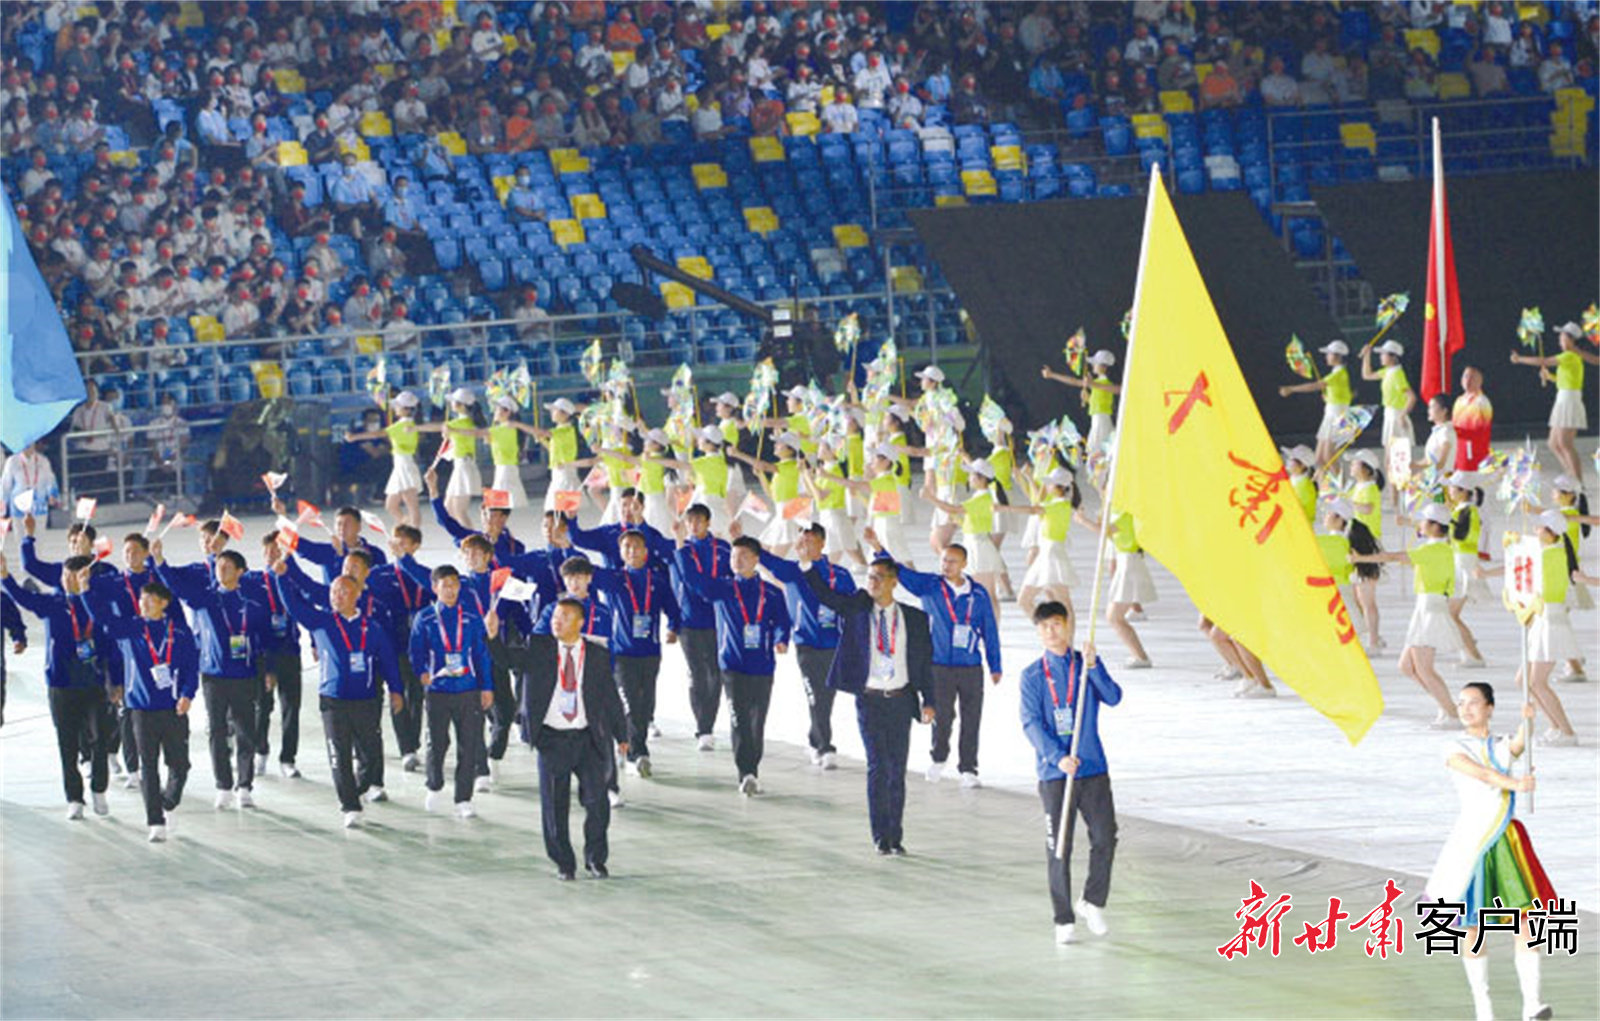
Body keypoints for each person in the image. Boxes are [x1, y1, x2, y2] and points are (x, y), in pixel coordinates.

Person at [1423, 682, 1555, 1021]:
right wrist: (1516, 784)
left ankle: (1532, 1004)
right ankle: (1484, 1010)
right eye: (1461, 703)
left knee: (1527, 920)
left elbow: (1516, 746)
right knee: (1473, 927)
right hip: (1473, 843)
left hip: (1505, 841)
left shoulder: (1497, 744)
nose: (1465, 708)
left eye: (1473, 703)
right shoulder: (1453, 746)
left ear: (1490, 708)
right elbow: (1482, 774)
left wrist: (1528, 721)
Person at [803, 553, 936, 854]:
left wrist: (929, 701)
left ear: (893, 582)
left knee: (897, 769)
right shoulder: (859, 609)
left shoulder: (914, 619)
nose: (872, 583)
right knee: (878, 765)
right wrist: (807, 566)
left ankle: (896, 836)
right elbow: (827, 595)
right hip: (870, 700)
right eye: (869, 577)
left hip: (901, 700)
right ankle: (880, 837)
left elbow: (924, 664)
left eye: (878, 577)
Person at [487, 598, 627, 880]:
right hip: (551, 739)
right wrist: (491, 636)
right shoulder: (539, 648)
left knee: (597, 802)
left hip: (588, 738)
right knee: (554, 804)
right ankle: (564, 862)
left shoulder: (597, 655)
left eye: (564, 616)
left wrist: (622, 735)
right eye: (554, 616)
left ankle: (596, 859)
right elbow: (505, 659)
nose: (556, 621)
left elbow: (610, 697)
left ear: (580, 622)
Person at [864, 530, 1002, 788]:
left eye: (951, 561)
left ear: (964, 564)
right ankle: (939, 758)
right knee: (943, 716)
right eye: (943, 560)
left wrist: (995, 664)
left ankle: (968, 767)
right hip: (938, 664)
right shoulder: (930, 585)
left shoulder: (979, 594)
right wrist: (878, 548)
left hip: (970, 666)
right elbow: (900, 573)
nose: (945, 565)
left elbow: (989, 630)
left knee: (972, 717)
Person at [1020, 602, 1123, 945]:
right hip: (1055, 774)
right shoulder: (1033, 676)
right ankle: (1063, 918)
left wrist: (1094, 668)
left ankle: (1092, 901)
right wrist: (1057, 757)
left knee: (1105, 836)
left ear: (1068, 626)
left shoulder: (1084, 664)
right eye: (1045, 626)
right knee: (1059, 846)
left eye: (1057, 624)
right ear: (1038, 631)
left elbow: (1113, 697)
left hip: (1092, 768)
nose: (1052, 631)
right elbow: (1031, 723)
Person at [273, 563, 404, 828]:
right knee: (339, 753)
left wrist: (396, 690)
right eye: (333, 592)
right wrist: (281, 578)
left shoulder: (372, 628)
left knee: (371, 755)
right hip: (332, 701)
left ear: (356, 595)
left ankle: (358, 788)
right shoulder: (321, 622)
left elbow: (388, 660)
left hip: (366, 700)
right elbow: (294, 606)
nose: (336, 597)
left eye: (343, 592)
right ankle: (350, 806)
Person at [672, 526, 792, 795]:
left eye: (744, 556)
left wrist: (781, 639)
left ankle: (753, 768)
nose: (736, 561)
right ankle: (746, 772)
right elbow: (692, 579)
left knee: (756, 722)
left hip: (762, 666)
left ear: (756, 559)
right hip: (732, 667)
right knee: (738, 719)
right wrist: (680, 544)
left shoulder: (771, 593)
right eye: (734, 556)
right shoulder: (723, 589)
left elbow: (783, 621)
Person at [153, 542, 270, 809]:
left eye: (228, 566)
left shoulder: (252, 604)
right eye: (218, 566)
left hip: (244, 675)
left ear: (240, 571)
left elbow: (264, 640)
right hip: (213, 676)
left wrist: (267, 670)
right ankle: (223, 785)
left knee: (245, 731)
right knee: (216, 730)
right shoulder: (206, 598)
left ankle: (244, 785)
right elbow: (176, 587)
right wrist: (159, 560)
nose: (222, 570)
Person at [0, 551, 112, 820]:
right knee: (67, 743)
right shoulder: (52, 604)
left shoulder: (99, 605)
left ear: (85, 576)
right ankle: (74, 797)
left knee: (100, 740)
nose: (65, 580)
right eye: (63, 575)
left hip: (94, 682)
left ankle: (98, 788)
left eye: (72, 575)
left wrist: (115, 681)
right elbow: (22, 598)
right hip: (61, 683)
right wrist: (5, 575)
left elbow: (113, 646)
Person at [1351, 503, 1462, 727]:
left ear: (1434, 526)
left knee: (1424, 667)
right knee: (1406, 666)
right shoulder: (1437, 548)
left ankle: (1452, 713)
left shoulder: (1432, 550)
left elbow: (1395, 557)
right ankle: (1445, 705)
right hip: (1425, 606)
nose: (1420, 524)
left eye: (1423, 521)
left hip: (1430, 608)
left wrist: (1360, 559)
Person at [105, 579, 198, 843]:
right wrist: (86, 590)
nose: (143, 603)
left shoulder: (179, 632)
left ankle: (169, 802)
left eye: (149, 599)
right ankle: (155, 821)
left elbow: (192, 667)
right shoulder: (132, 628)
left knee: (180, 765)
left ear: (163, 603)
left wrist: (187, 695)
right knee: (149, 765)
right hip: (141, 710)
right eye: (141, 599)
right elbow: (103, 619)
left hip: (173, 709)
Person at [759, 523, 856, 770]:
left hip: (835, 645)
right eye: (801, 541)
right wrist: (741, 538)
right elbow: (764, 558)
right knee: (816, 697)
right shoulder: (792, 571)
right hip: (807, 646)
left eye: (810, 541)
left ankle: (814, 740)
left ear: (823, 543)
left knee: (826, 697)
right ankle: (825, 747)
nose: (804, 545)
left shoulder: (841, 575)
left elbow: (852, 608)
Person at [588, 531, 681, 780]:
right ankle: (637, 753)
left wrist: (673, 628)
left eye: (637, 547)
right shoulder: (614, 578)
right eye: (626, 547)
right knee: (629, 703)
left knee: (645, 704)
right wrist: (567, 539)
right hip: (621, 654)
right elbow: (584, 571)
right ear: (620, 553)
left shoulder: (658, 581)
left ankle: (626, 744)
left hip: (650, 653)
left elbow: (673, 609)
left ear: (645, 551)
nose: (632, 551)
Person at [408, 564, 492, 817]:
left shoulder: (471, 618)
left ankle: (463, 799)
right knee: (438, 742)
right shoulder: (425, 618)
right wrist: (421, 672)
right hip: (438, 690)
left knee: (469, 743)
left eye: (455, 584)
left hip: (467, 689)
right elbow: (416, 651)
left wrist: (486, 687)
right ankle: (434, 786)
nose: (451, 590)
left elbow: (481, 655)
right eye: (445, 585)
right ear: (435, 588)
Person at [669, 504, 731, 751]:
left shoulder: (723, 549)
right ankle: (702, 727)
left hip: (717, 620)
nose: (693, 525)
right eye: (690, 521)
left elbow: (732, 578)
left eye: (698, 521)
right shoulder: (680, 550)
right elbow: (674, 587)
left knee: (715, 674)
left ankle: (709, 725)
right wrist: (673, 623)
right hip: (689, 622)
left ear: (708, 522)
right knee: (697, 673)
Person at [244, 531, 303, 778]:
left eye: (277, 550)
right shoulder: (254, 581)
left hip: (289, 651)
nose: (271, 555)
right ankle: (260, 752)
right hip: (263, 653)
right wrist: (267, 665)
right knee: (262, 706)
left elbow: (304, 611)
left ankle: (288, 759)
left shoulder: (293, 580)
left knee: (291, 707)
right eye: (268, 551)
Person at [1510, 322, 1597, 483]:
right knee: (1553, 443)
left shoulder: (1570, 356)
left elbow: (1545, 360)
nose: (1559, 340)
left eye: (1562, 337)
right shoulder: (1569, 358)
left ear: (1570, 340)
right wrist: (1550, 377)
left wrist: (1519, 359)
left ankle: (1578, 482)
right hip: (1563, 398)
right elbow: (1566, 381)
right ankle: (1571, 476)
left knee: (1565, 443)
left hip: (1569, 401)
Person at [342, 390, 424, 529]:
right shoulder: (404, 425)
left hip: (406, 465)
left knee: (412, 504)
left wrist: (354, 437)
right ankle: (404, 525)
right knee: (391, 505)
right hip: (399, 465)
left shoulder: (403, 426)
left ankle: (414, 533)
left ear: (405, 409)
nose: (395, 408)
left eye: (397, 406)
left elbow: (377, 434)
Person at [1278, 339, 1353, 467]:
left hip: (1337, 416)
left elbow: (1315, 386)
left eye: (1329, 354)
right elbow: (1343, 395)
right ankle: (1324, 486)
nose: (1326, 356)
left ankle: (1341, 486)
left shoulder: (1339, 373)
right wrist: (1328, 398)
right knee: (1319, 459)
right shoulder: (1337, 373)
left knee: (1328, 456)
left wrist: (1291, 389)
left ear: (1338, 356)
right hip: (1331, 414)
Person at [1363, 339, 1416, 454]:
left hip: (1396, 415)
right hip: (1389, 415)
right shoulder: (1388, 371)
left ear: (1393, 357)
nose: (1381, 356)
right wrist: (1367, 355)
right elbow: (1367, 375)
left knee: (1396, 459)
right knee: (1389, 457)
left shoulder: (1397, 374)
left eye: (1384, 354)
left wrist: (1402, 416)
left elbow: (1411, 397)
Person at [1451, 366, 1494, 471]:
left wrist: (1456, 432)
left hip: (1474, 452)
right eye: (1465, 376)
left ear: (1480, 381)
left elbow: (1480, 430)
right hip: (1458, 450)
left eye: (1472, 377)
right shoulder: (1459, 401)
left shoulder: (1482, 402)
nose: (1468, 380)